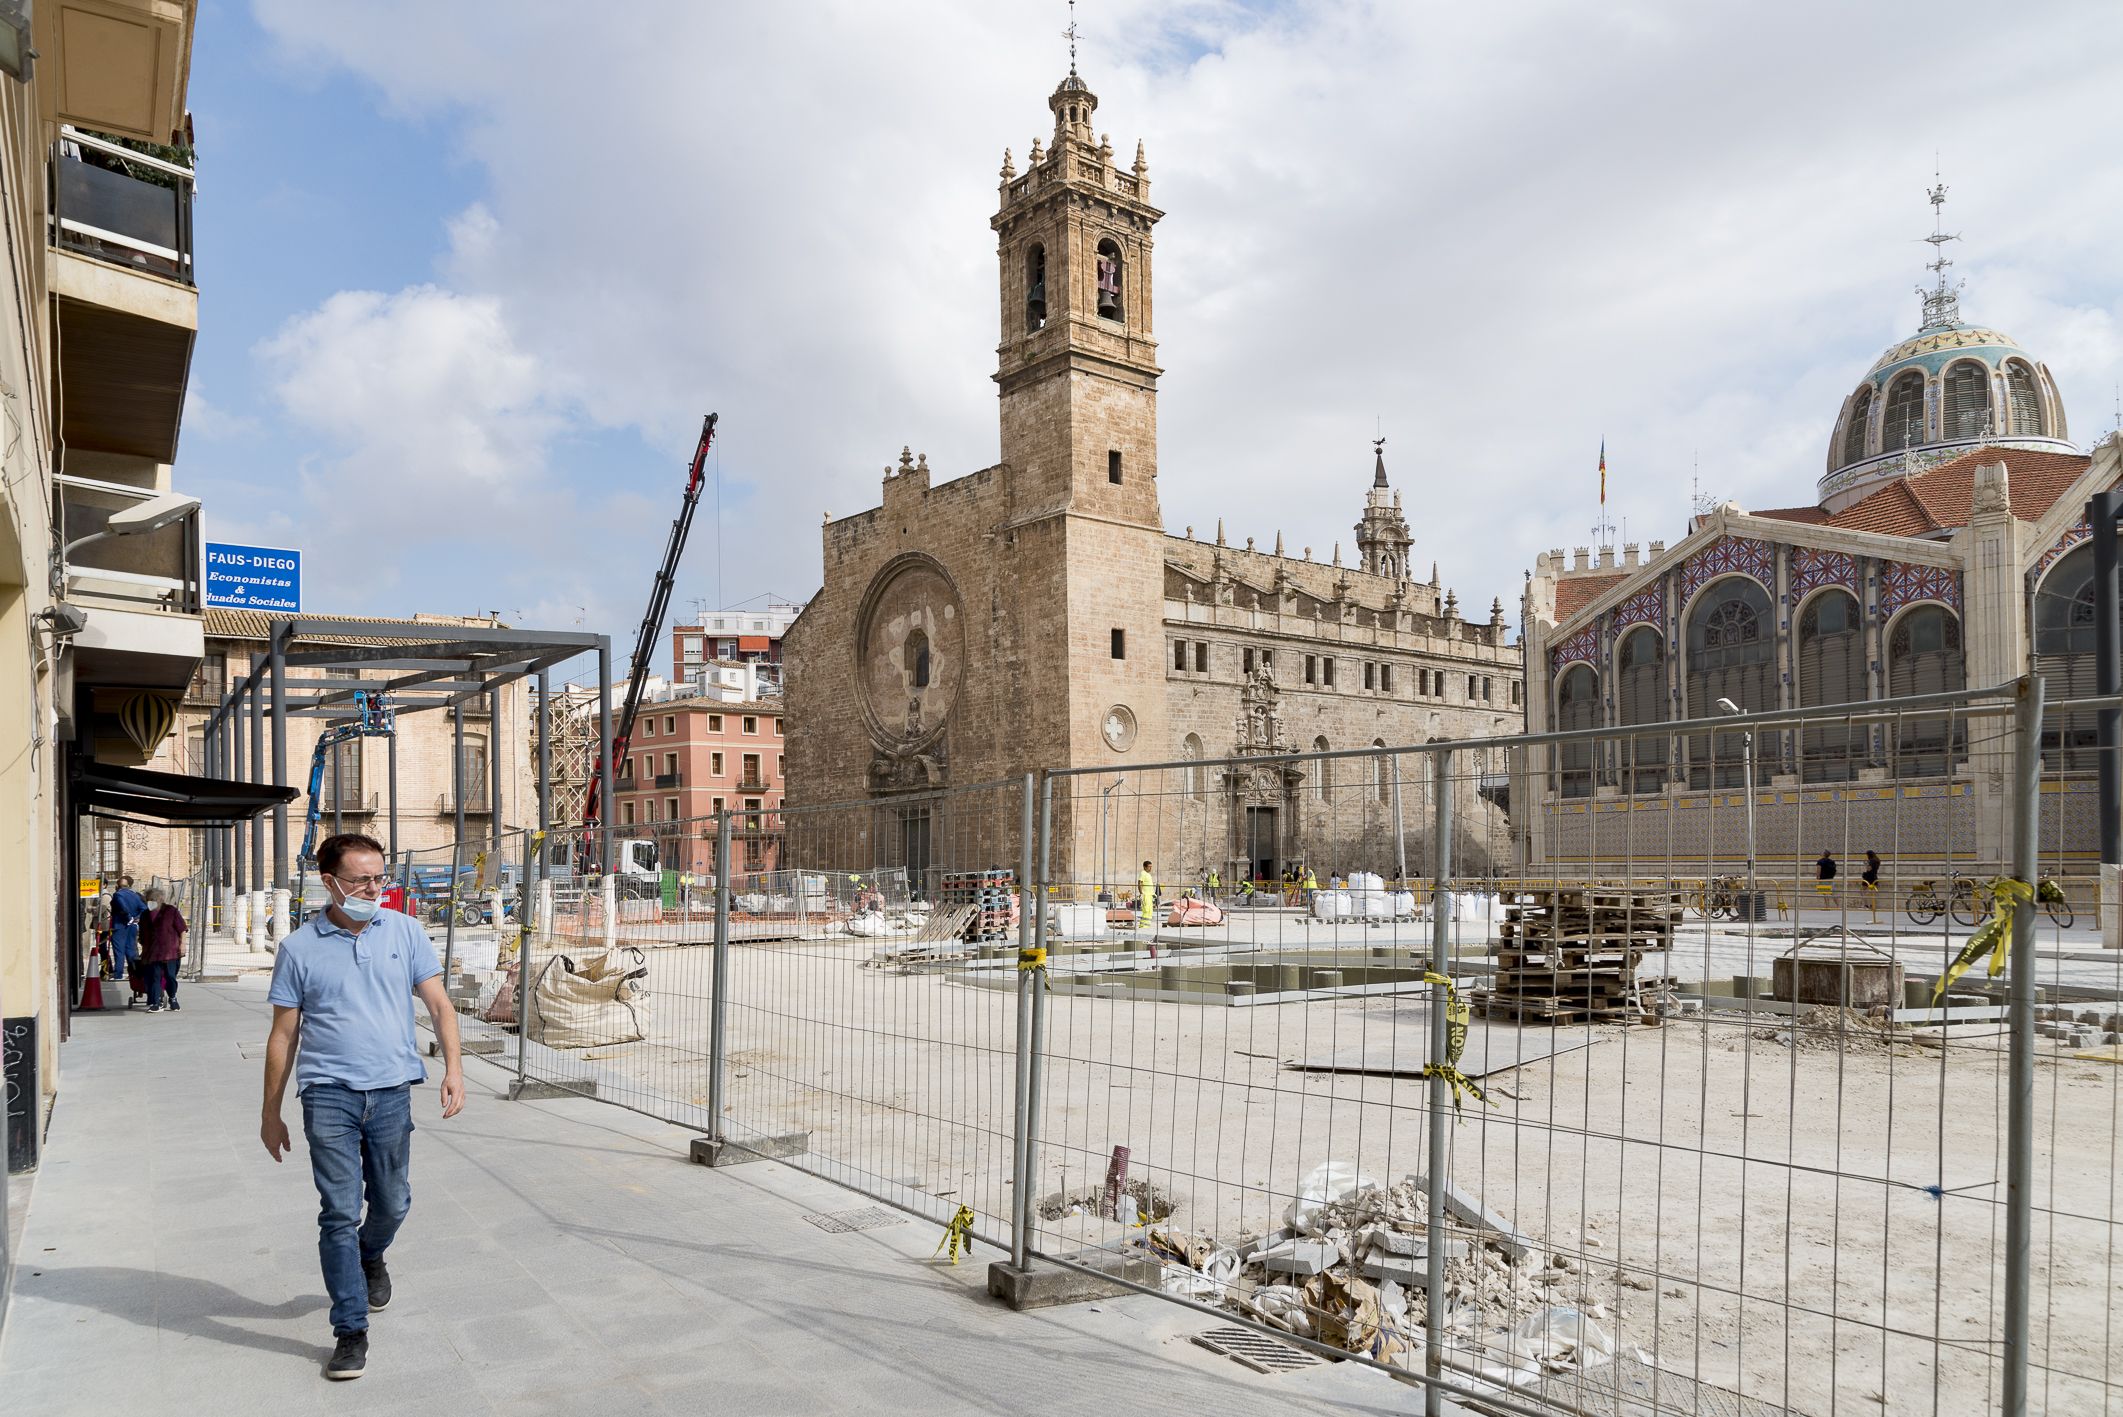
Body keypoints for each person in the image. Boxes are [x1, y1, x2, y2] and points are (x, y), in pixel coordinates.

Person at [261, 833, 464, 1382]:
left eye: (380, 878)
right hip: (328, 1093)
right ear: (329, 882)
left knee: (393, 1202)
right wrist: (270, 1112)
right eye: (362, 880)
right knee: (338, 1212)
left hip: (393, 1090)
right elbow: (283, 1036)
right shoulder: (299, 948)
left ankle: (370, 1254)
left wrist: (454, 1069)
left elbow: (440, 1005)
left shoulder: (405, 930)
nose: (375, 889)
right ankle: (350, 1330)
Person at [139, 887, 187, 1012]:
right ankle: (155, 1003)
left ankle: (173, 998)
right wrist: (143, 949)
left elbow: (182, 929)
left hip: (170, 951)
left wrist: (183, 945)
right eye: (148, 900)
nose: (151, 902)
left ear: (160, 900)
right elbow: (142, 935)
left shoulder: (171, 911)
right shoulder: (144, 915)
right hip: (152, 952)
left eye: (153, 899)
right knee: (155, 977)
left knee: (170, 976)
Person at [109, 875, 146, 1007]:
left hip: (120, 925)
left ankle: (118, 974)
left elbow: (122, 906)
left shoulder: (118, 895)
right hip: (132, 927)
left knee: (119, 951)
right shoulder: (135, 895)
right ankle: (134, 974)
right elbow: (144, 908)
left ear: (117, 885)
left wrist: (128, 917)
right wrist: (136, 918)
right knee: (131, 950)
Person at [1861, 849, 1881, 921]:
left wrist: (1866, 864)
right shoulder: (1877, 860)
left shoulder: (1871, 861)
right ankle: (1872, 905)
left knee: (1863, 891)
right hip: (1874, 877)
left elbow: (1869, 869)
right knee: (1873, 891)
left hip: (1868, 877)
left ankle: (1866, 905)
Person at [1137, 860, 1156, 929]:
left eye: (1151, 867)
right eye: (1149, 867)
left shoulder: (1148, 874)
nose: (1150, 868)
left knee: (1150, 911)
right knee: (1146, 910)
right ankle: (1143, 926)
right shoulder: (1143, 873)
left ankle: (1147, 925)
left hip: (1150, 895)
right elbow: (1140, 883)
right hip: (1145, 895)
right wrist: (1141, 893)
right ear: (1144, 867)